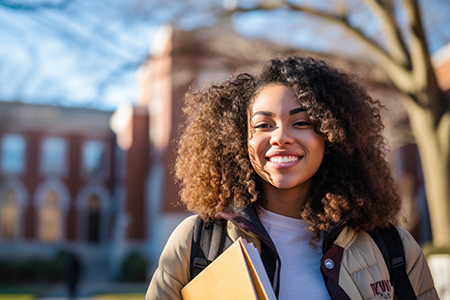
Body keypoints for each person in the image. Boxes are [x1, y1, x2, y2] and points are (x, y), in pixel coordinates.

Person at [146, 56, 438, 299]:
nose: (280, 138)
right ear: (239, 140)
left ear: (331, 135)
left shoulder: (393, 248)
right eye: (263, 125)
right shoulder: (196, 243)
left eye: (301, 123)